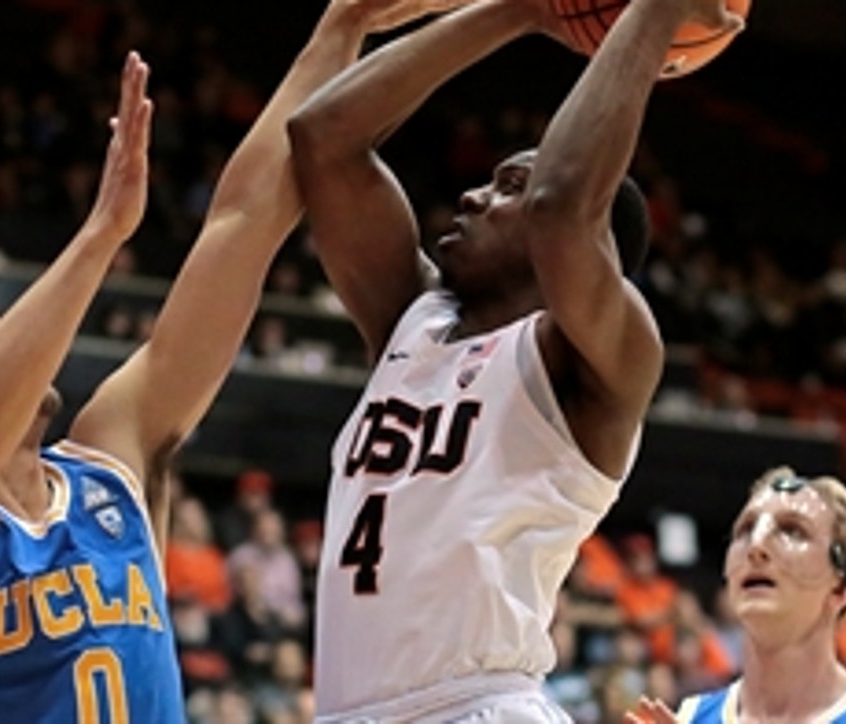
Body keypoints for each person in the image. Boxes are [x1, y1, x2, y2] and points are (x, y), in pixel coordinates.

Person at [0, 2, 450, 720]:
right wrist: (100, 236)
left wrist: (338, 32)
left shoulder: (111, 462)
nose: (16, 343)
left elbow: (241, 227)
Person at [286, 0, 741, 720]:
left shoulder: (598, 360)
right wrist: (517, 11)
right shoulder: (416, 320)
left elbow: (562, 205)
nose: (471, 195)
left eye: (507, 187)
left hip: (477, 705)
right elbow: (322, 136)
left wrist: (654, 14)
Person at [627, 467, 846, 723]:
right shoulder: (689, 716)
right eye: (745, 530)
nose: (756, 546)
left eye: (792, 531)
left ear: (839, 586)